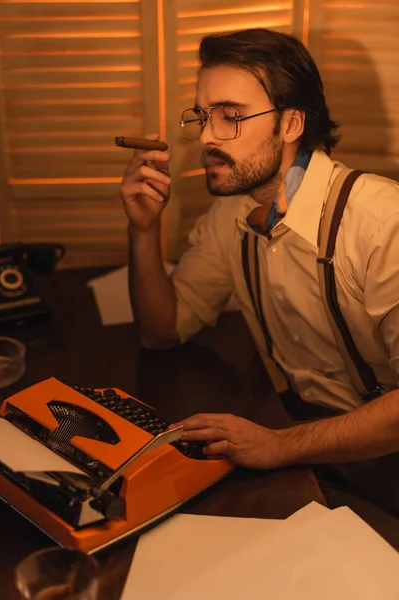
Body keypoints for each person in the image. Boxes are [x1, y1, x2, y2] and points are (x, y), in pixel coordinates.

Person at [120, 29, 399, 489]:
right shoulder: (230, 215)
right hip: (297, 438)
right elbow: (161, 332)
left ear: (291, 124)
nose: (207, 136)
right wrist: (143, 229)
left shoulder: (379, 222)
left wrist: (276, 446)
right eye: (203, 116)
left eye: (230, 116)